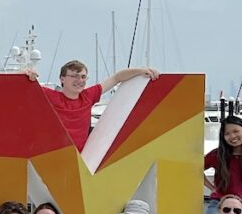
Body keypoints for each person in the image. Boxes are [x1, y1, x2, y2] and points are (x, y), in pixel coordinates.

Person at [25, 60, 160, 151]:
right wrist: (26, 73)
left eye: (83, 77)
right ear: (62, 79)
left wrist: (141, 71)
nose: (80, 81)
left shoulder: (88, 96)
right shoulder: (50, 96)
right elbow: (24, 84)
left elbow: (117, 78)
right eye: (75, 76)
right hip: (56, 156)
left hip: (83, 159)